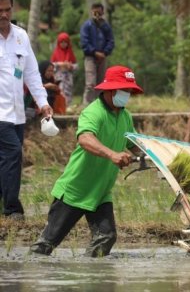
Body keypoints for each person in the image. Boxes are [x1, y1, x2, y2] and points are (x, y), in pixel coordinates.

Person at [30, 65, 143, 257]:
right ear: (111, 90)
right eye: (125, 90)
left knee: (106, 237)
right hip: (76, 189)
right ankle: (27, 274)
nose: (128, 94)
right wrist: (113, 155)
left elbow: (135, 145)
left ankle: (90, 278)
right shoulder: (93, 112)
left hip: (100, 191)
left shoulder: (125, 116)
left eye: (129, 90)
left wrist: (158, 156)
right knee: (46, 245)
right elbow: (85, 139)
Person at [0, 0, 53, 221]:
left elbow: (31, 74)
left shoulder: (21, 37)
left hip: (17, 114)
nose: (3, 14)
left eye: (7, 10)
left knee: (6, 159)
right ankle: (12, 209)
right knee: (13, 153)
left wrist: (43, 102)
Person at [80, 2, 114, 106]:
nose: (97, 14)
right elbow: (84, 42)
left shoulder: (106, 26)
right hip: (90, 57)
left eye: (99, 12)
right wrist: (95, 52)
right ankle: (87, 105)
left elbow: (111, 41)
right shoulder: (87, 25)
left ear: (103, 12)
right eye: (95, 12)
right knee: (90, 83)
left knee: (101, 83)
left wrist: (105, 53)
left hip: (103, 57)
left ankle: (100, 105)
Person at [50, 32, 77, 109]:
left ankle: (67, 107)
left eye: (65, 42)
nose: (63, 44)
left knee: (68, 92)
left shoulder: (70, 52)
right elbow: (51, 65)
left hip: (68, 78)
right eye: (61, 42)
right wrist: (60, 64)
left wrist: (71, 66)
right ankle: (60, 107)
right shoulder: (55, 53)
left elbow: (75, 65)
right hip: (59, 77)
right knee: (60, 92)